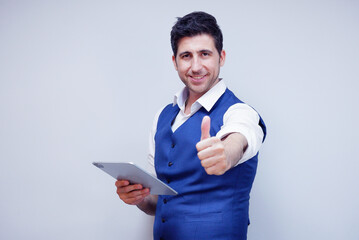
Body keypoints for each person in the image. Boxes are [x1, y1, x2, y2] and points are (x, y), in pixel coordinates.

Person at [115, 11, 266, 240]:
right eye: (186, 56)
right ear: (174, 62)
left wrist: (226, 152)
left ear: (221, 57)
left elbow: (242, 136)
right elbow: (159, 202)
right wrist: (139, 197)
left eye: (205, 54)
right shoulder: (162, 117)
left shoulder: (239, 112)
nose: (196, 67)